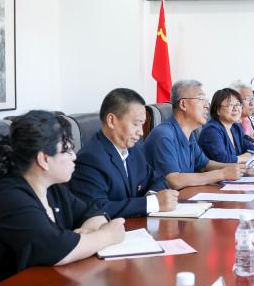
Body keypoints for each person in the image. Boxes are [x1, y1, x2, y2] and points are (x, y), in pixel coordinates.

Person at [0, 111, 125, 286]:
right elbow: (57, 250)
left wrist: (88, 232)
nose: (74, 157)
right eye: (67, 150)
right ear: (44, 159)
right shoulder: (9, 197)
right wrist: (107, 235)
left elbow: (91, 211)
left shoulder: (52, 188)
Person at [70, 88, 179, 219]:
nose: (141, 132)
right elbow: (97, 209)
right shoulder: (90, 159)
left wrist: (152, 196)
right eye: (136, 124)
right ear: (111, 121)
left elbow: (157, 180)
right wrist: (152, 203)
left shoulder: (134, 149)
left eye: (142, 124)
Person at [144, 80, 244, 190]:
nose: (207, 105)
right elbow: (174, 180)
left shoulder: (189, 134)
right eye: (201, 99)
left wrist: (237, 168)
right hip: (167, 199)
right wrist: (222, 174)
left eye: (206, 100)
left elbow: (204, 165)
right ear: (183, 104)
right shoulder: (163, 135)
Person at [199, 88, 254, 164]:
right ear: (217, 109)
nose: (236, 108)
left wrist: (241, 158)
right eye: (231, 104)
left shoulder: (236, 127)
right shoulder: (211, 130)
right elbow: (223, 160)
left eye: (238, 104)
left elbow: (253, 150)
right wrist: (246, 157)